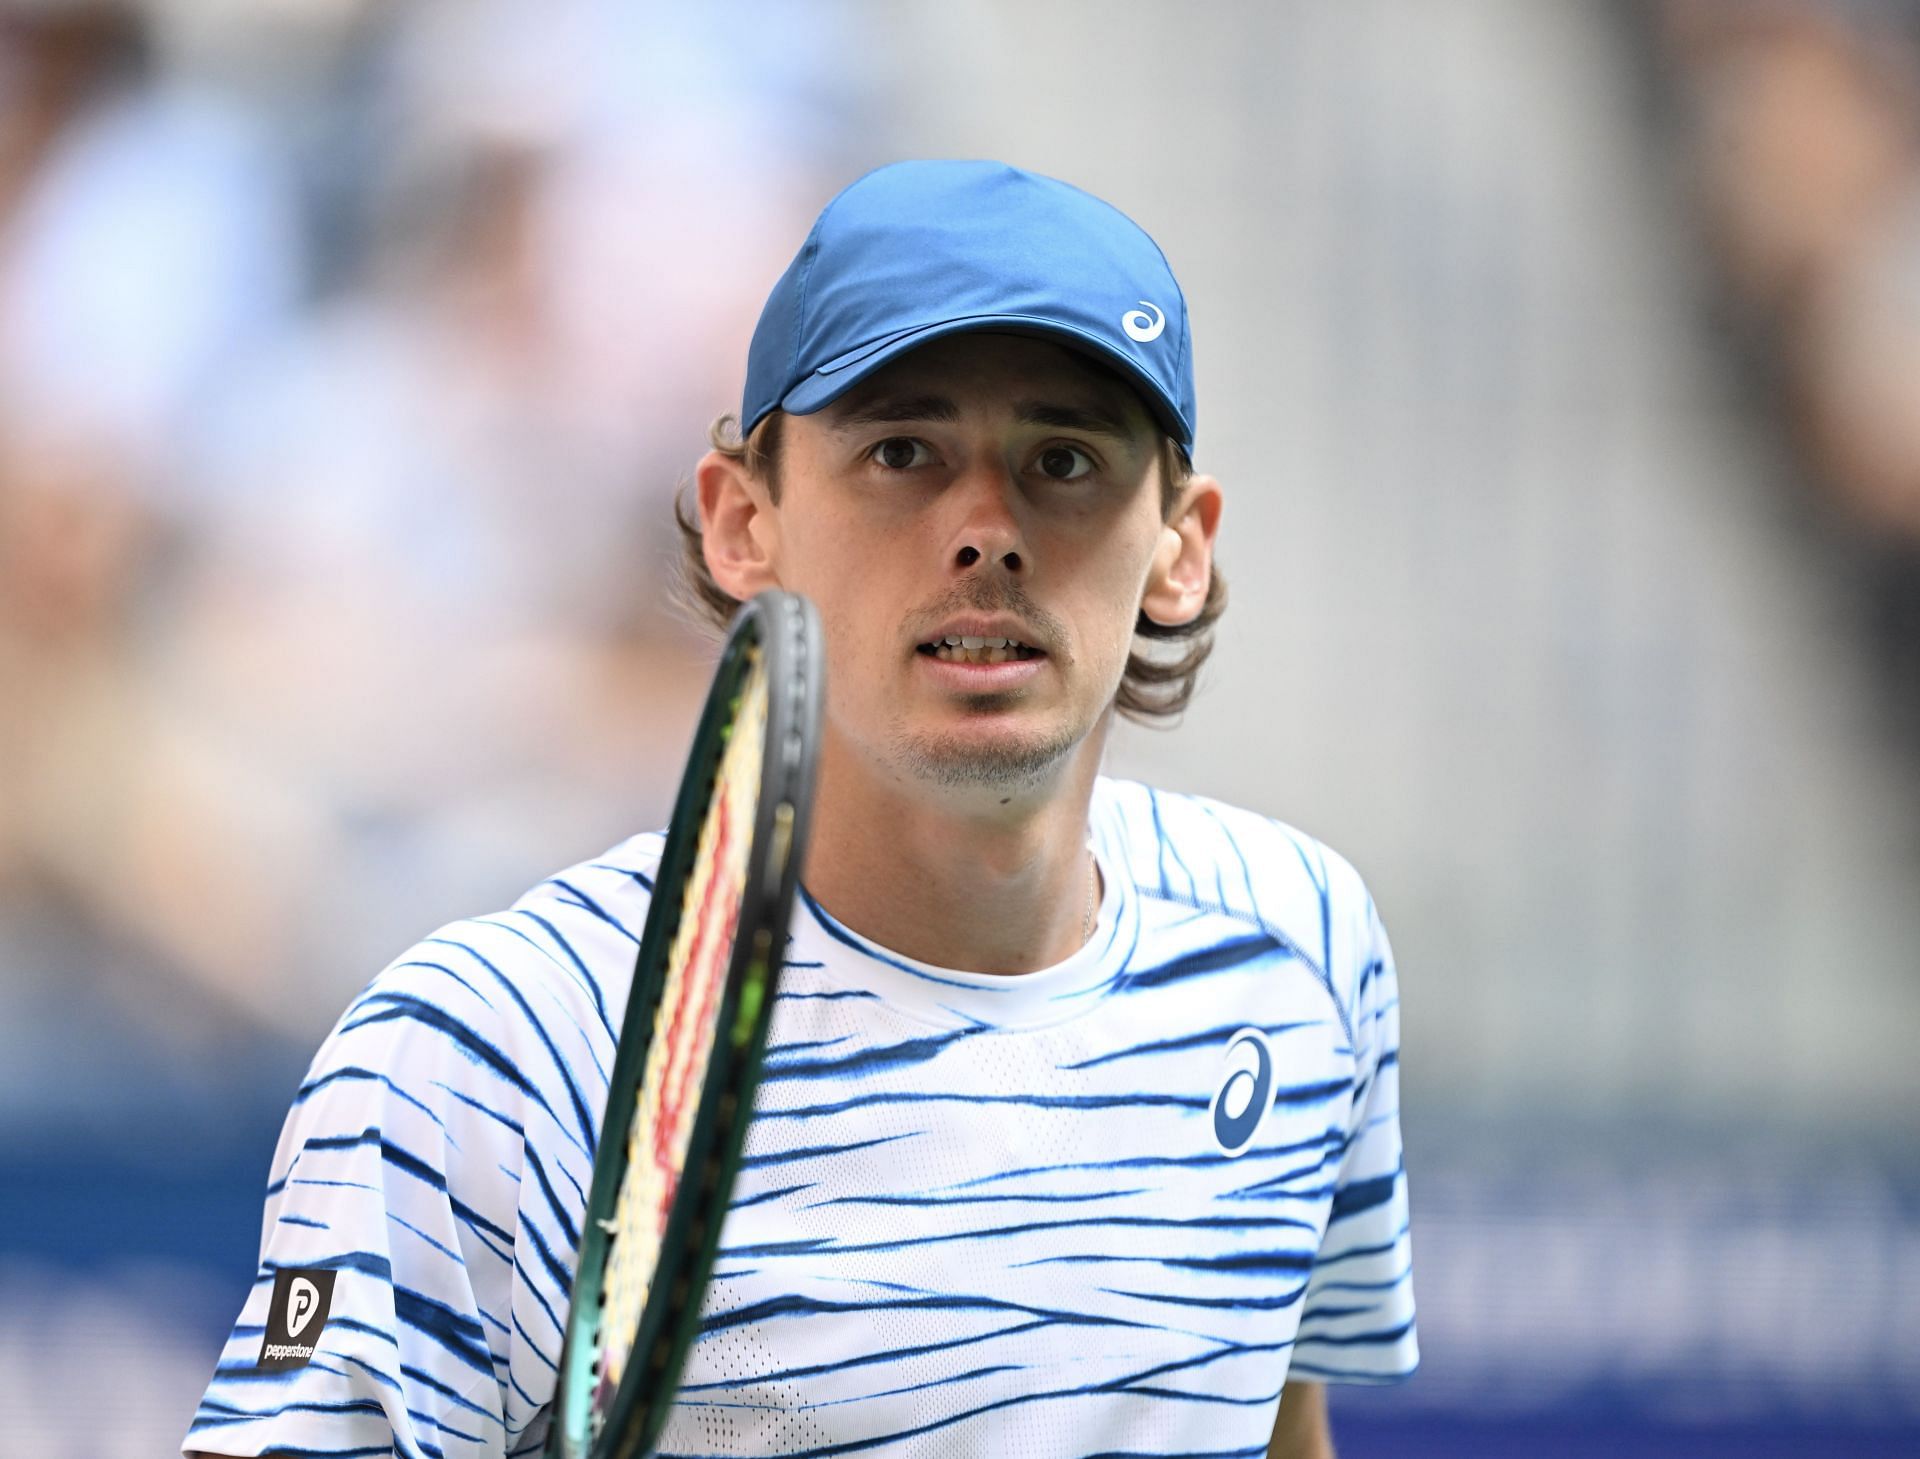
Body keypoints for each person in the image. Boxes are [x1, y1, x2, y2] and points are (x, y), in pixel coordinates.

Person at [184, 159, 1416, 1459]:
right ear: (741, 524)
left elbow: (1277, 1429)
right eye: (902, 452)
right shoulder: (477, 1060)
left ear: (1181, 545)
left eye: (1064, 458)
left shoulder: (1304, 945)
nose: (986, 532)